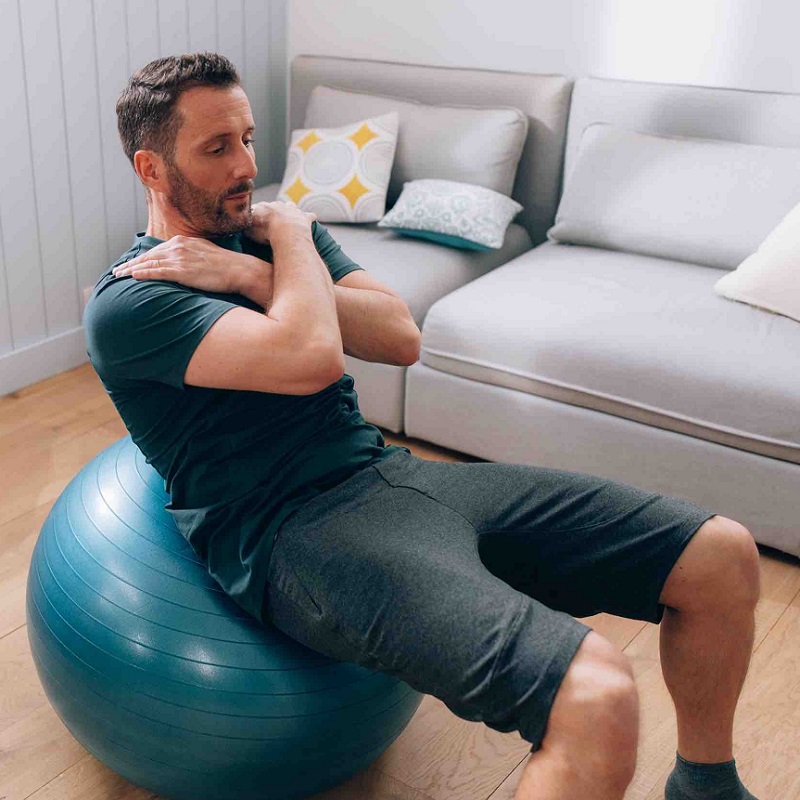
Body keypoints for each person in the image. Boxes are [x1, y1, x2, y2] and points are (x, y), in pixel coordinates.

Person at [83, 52, 763, 800]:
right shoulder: (136, 298)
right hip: (297, 535)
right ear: (152, 169)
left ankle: (706, 786)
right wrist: (297, 240)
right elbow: (310, 356)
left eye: (248, 137)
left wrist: (257, 270)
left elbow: (399, 335)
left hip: (394, 477)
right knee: (596, 694)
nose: (246, 164)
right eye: (217, 148)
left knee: (721, 554)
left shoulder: (265, 242)